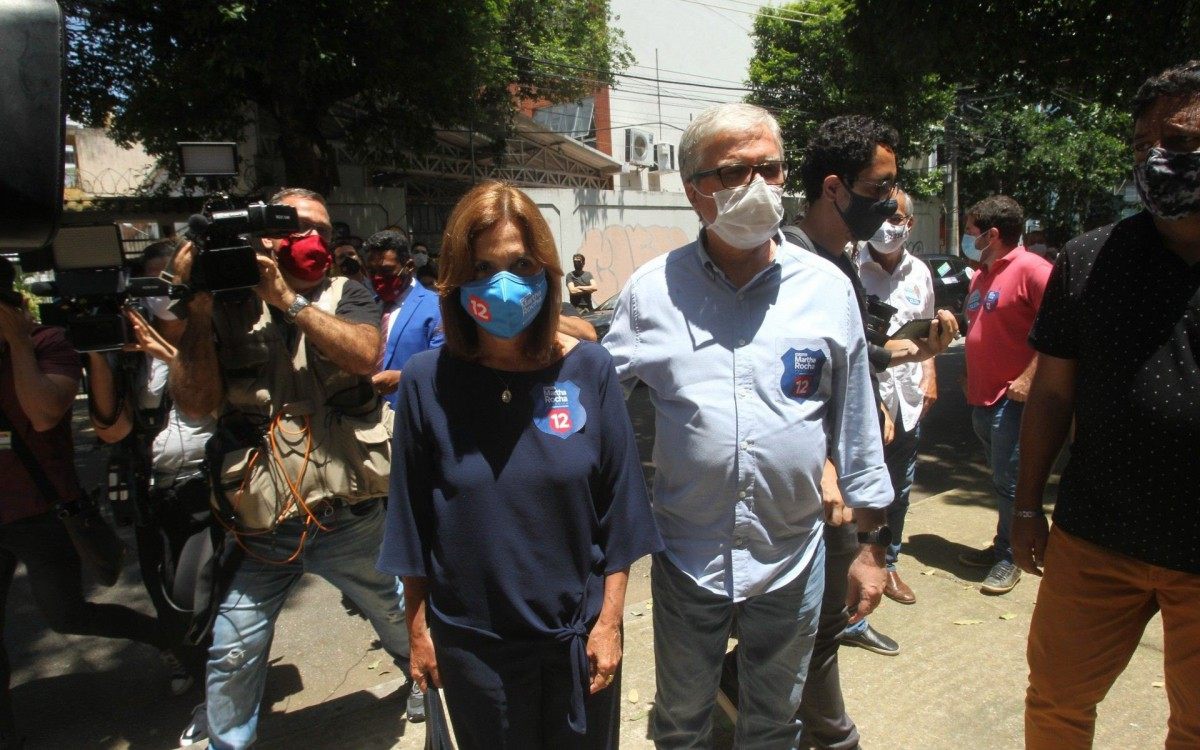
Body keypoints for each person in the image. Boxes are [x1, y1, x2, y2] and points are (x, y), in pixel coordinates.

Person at [603, 102, 893, 748]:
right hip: (687, 557)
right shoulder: (652, 294)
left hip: (792, 557)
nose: (758, 185)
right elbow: (595, 409)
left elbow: (856, 429)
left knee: (773, 725)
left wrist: (874, 546)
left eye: (770, 167)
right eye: (735, 171)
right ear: (693, 190)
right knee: (682, 723)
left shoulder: (826, 289)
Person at [379, 180, 662, 749]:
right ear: (455, 280)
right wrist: (417, 631)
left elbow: (621, 507)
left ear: (547, 272)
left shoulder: (590, 370)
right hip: (472, 646)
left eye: (519, 264)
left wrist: (610, 624)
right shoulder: (425, 382)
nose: (501, 284)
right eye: (481, 268)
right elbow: (410, 521)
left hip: (577, 637)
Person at [170, 187, 420, 748]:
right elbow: (192, 402)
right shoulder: (225, 304)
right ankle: (227, 739)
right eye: (296, 225)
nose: (314, 240)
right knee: (234, 646)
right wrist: (200, 303)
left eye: (325, 232)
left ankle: (420, 678)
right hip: (262, 524)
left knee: (392, 610)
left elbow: (363, 355)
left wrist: (287, 299)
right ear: (264, 235)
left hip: (349, 513)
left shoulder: (347, 292)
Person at [1014, 60, 1200, 749]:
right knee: (1057, 702)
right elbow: (1053, 392)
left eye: (1180, 142)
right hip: (1096, 537)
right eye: (1145, 144)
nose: (1160, 160)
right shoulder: (1089, 259)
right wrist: (1027, 505)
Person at [785, 117, 957, 748]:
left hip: (834, 490)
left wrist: (902, 355)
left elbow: (851, 360)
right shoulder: (794, 264)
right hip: (813, 492)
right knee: (815, 630)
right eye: (881, 187)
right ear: (835, 188)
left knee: (810, 630)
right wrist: (867, 536)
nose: (891, 202)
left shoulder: (839, 262)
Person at [0, 257, 174, 749]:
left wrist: (15, 343)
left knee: (66, 615)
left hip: (41, 509)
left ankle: (166, 638)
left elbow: (43, 413)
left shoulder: (47, 344)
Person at [957, 195, 1051, 595]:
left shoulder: (1034, 270)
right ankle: (1003, 545)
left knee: (1011, 483)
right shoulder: (982, 274)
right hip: (982, 397)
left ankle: (1012, 558)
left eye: (970, 231)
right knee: (1000, 480)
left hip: (1012, 402)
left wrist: (1030, 377)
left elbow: (1061, 333)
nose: (966, 237)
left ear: (992, 234)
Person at [855, 189, 938, 608]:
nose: (890, 225)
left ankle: (889, 563)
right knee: (862, 491)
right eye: (883, 215)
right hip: (866, 402)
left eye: (899, 217)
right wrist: (877, 405)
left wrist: (931, 374)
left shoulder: (920, 272)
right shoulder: (850, 267)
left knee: (900, 489)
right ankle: (855, 565)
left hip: (908, 398)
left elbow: (924, 331)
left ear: (910, 224)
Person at [363, 230, 444, 405]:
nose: (377, 278)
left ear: (409, 266)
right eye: (372, 271)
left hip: (410, 415)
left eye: (386, 270)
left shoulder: (437, 308)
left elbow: (444, 367)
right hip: (368, 416)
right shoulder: (369, 308)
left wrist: (402, 378)